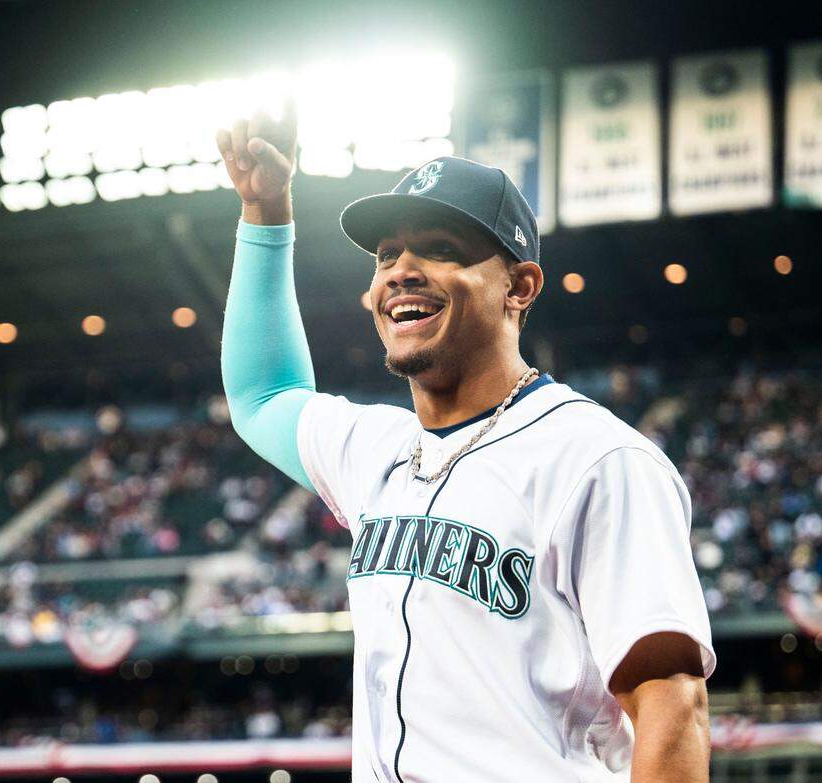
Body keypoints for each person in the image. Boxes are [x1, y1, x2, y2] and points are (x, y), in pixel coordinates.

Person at [217, 104, 714, 782]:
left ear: (519, 286)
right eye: (388, 254)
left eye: (441, 247)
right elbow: (262, 395)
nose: (400, 269)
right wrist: (266, 211)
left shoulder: (598, 459)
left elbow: (673, 706)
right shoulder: (377, 448)